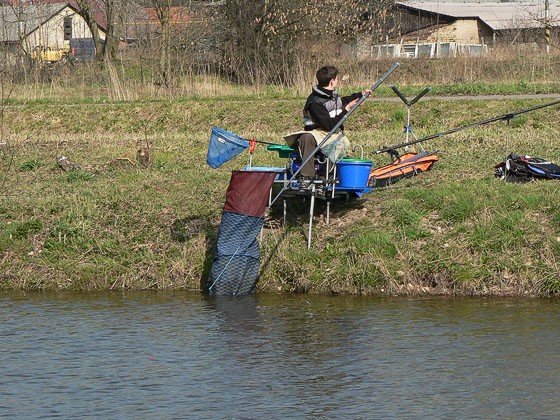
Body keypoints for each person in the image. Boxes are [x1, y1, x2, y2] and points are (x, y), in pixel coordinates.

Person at [284, 65, 372, 190]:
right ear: (332, 81)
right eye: (337, 79)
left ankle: (325, 177)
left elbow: (342, 101)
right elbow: (329, 125)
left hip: (332, 131)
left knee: (337, 140)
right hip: (317, 131)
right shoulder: (314, 102)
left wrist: (360, 95)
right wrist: (347, 109)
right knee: (306, 138)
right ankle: (307, 178)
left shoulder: (331, 94)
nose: (338, 81)